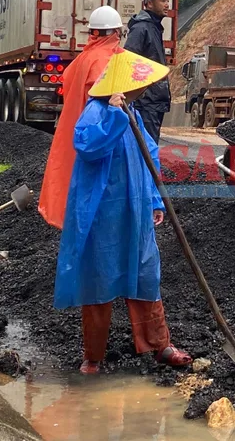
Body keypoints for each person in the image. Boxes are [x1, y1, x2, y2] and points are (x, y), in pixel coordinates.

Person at [53, 47, 192, 373]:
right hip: (103, 214)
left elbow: (149, 155)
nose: (143, 90)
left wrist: (154, 199)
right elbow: (87, 146)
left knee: (145, 274)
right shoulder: (96, 112)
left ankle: (160, 345)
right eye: (138, 86)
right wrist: (115, 115)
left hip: (135, 210)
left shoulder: (134, 114)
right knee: (99, 279)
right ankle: (93, 356)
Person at [39, 6, 126, 229]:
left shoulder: (82, 59)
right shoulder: (106, 61)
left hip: (78, 132)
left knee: (73, 181)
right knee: (99, 195)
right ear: (115, 32)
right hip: (99, 136)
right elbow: (109, 102)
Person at [124, 0, 172, 143]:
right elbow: (129, 62)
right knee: (146, 147)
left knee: (149, 146)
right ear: (149, 3)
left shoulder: (154, 27)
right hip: (145, 102)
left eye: (168, 0)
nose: (167, 4)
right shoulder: (141, 28)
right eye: (163, 0)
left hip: (153, 102)